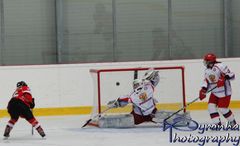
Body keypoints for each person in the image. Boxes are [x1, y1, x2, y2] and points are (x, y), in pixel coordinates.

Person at [199, 53, 237, 126]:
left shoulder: (221, 66)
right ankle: (217, 124)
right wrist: (203, 89)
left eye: (206, 61)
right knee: (211, 107)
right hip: (214, 92)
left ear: (211, 62)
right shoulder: (207, 70)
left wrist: (224, 78)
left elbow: (232, 75)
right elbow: (206, 81)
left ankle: (233, 123)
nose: (205, 62)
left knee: (222, 109)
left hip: (224, 92)